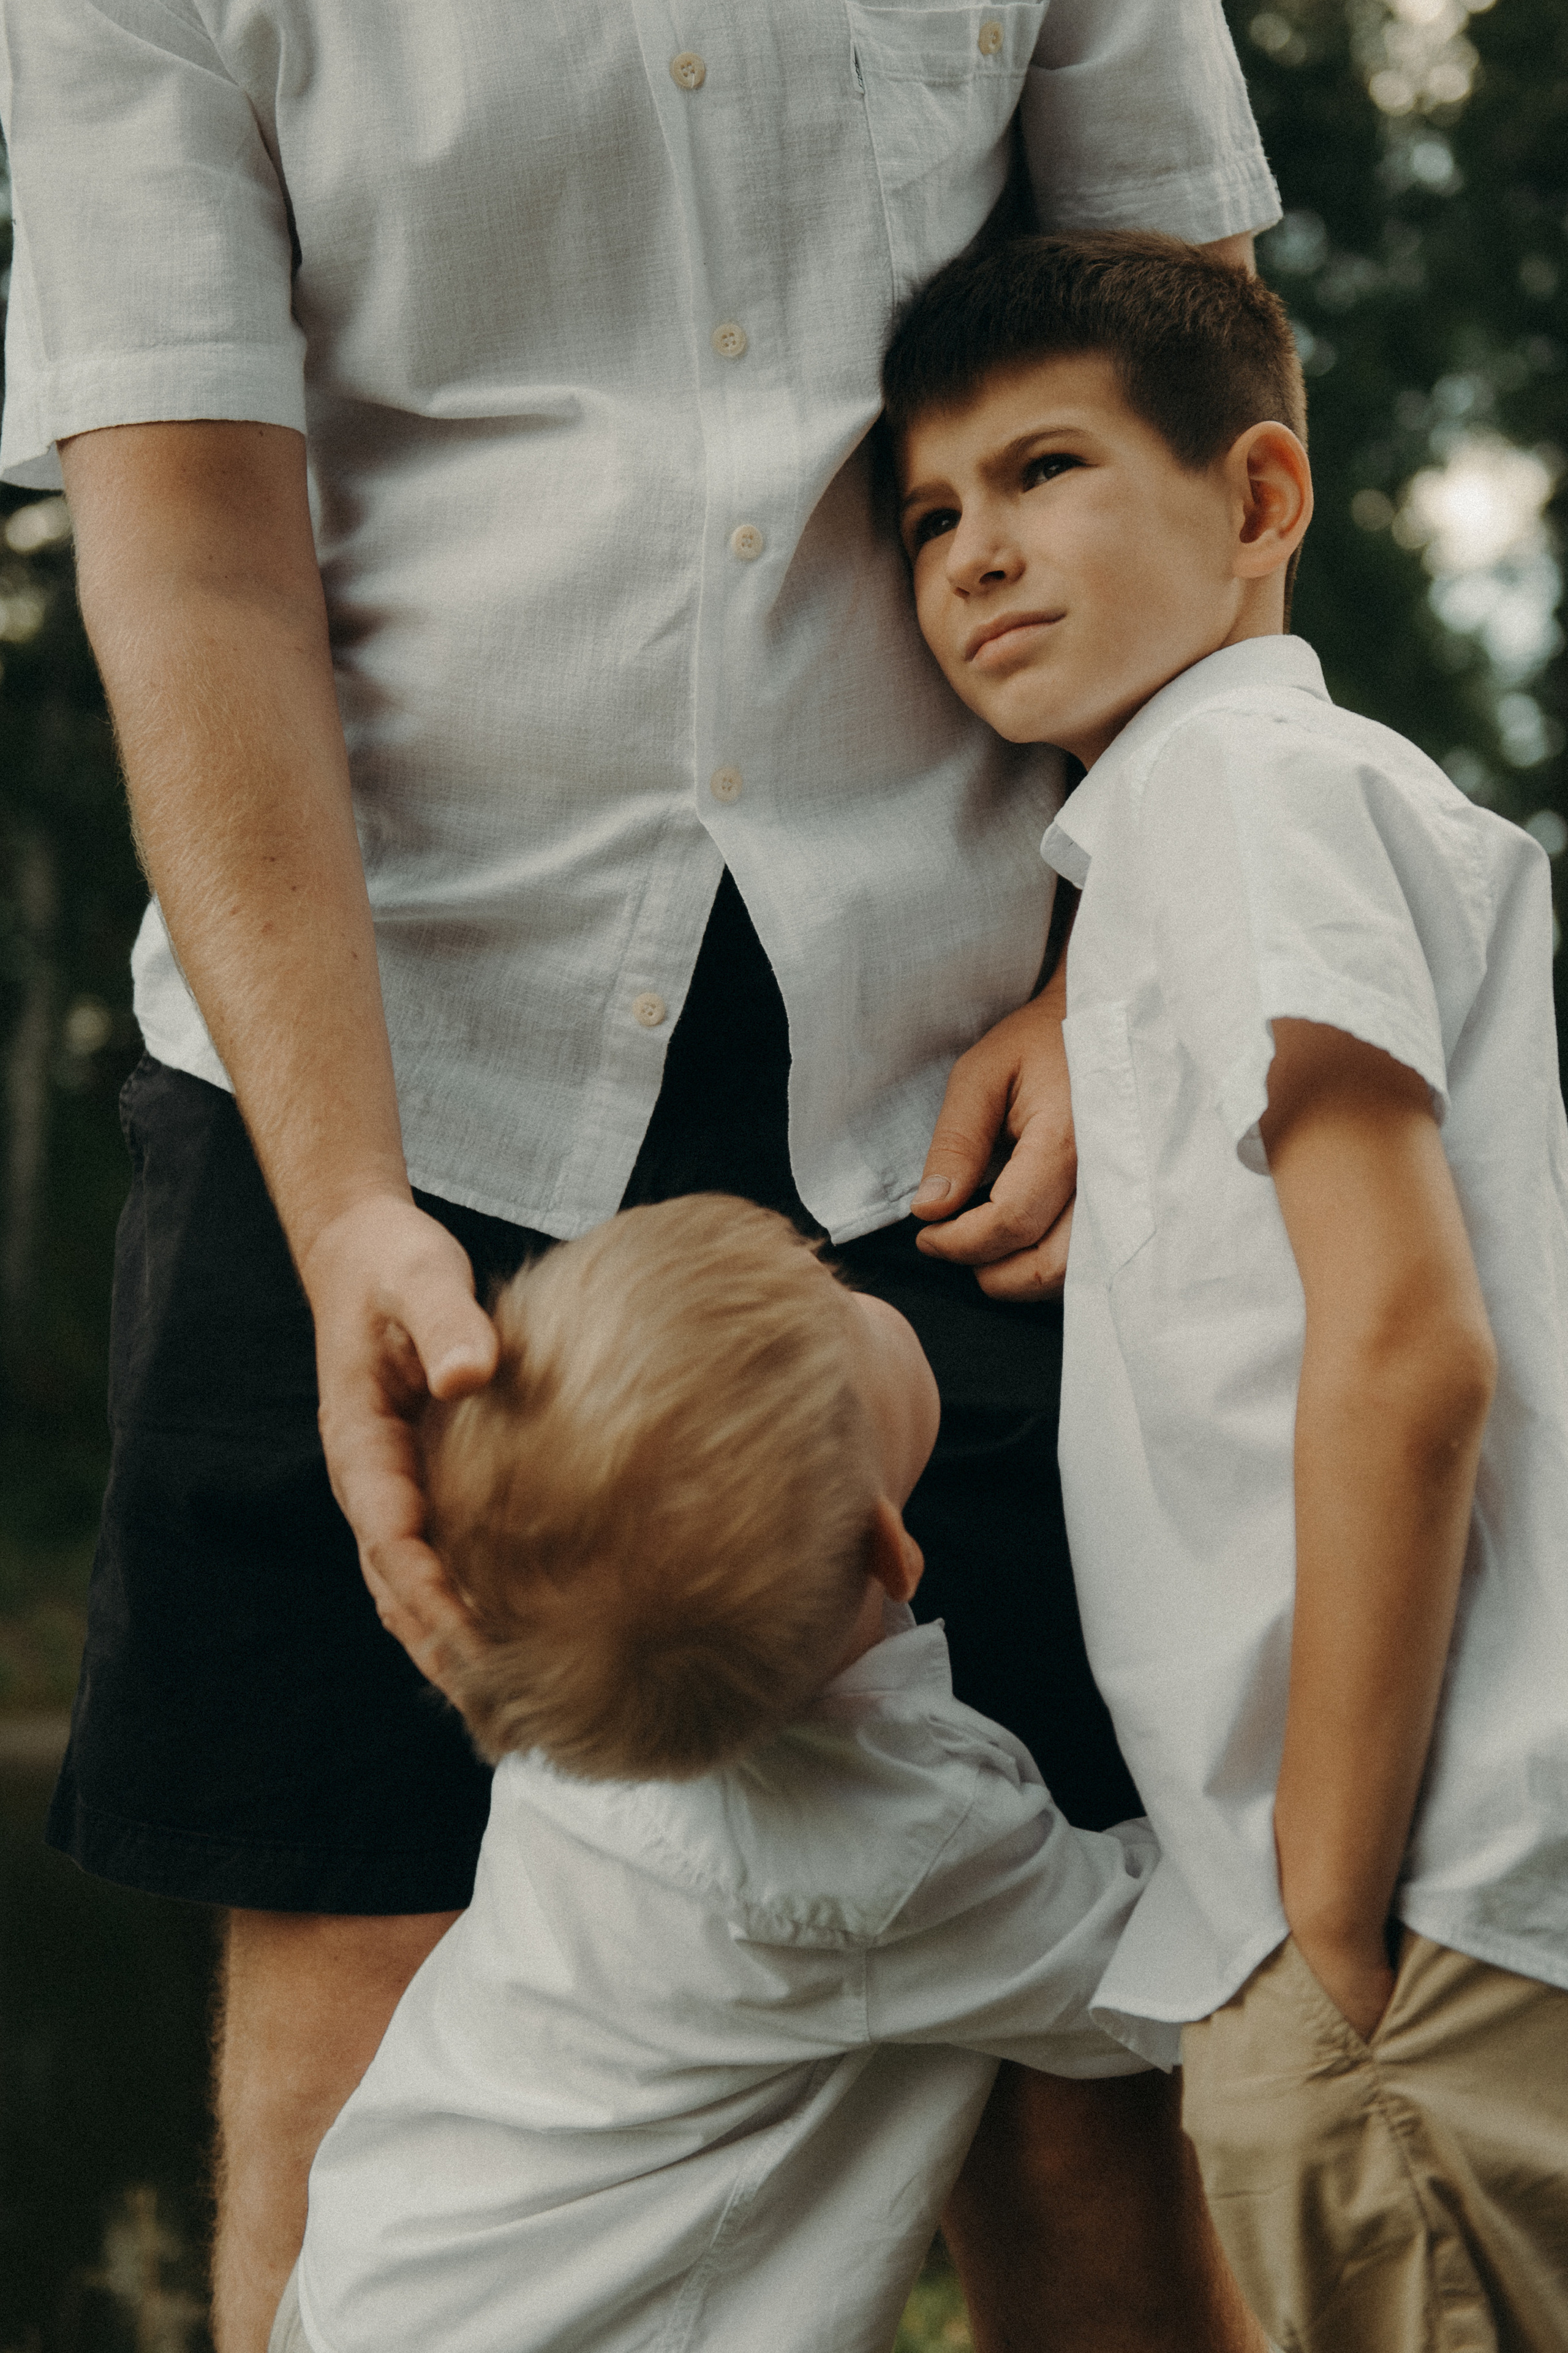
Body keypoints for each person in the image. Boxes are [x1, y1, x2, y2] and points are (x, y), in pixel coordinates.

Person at [0, 9, 1280, 2346]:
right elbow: (185, 549)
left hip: (973, 1043)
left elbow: (1202, 400)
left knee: (1090, 2137)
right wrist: (341, 1202)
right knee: (349, 1991)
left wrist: (1138, 956)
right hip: (369, 1050)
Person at [886, 228, 1568, 2352]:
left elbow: (1403, 1343)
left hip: (1412, 1917)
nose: (979, 554)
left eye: (1047, 471)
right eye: (931, 515)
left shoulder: (1245, 791)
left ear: (1261, 501)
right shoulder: (1253, 811)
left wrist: (1324, 1909)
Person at [266, 1193, 1192, 2353]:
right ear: (886, 1540)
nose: (856, 1287)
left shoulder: (588, 1725)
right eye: (837, 1303)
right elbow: (1159, 1970)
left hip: (376, 2290)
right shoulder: (890, 1847)